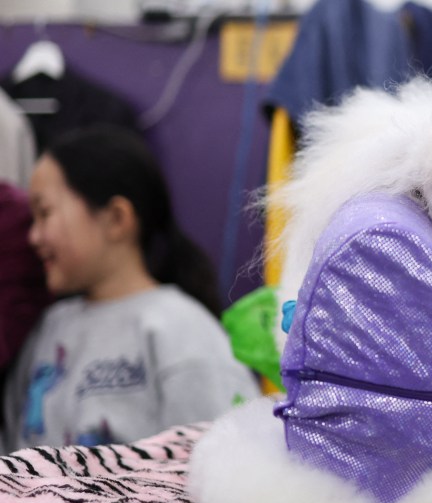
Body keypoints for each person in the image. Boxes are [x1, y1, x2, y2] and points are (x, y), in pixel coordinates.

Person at [2, 126, 259, 451]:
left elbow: (224, 462)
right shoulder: (48, 327)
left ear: (116, 218)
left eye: (45, 213)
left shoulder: (180, 328)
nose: (33, 237)